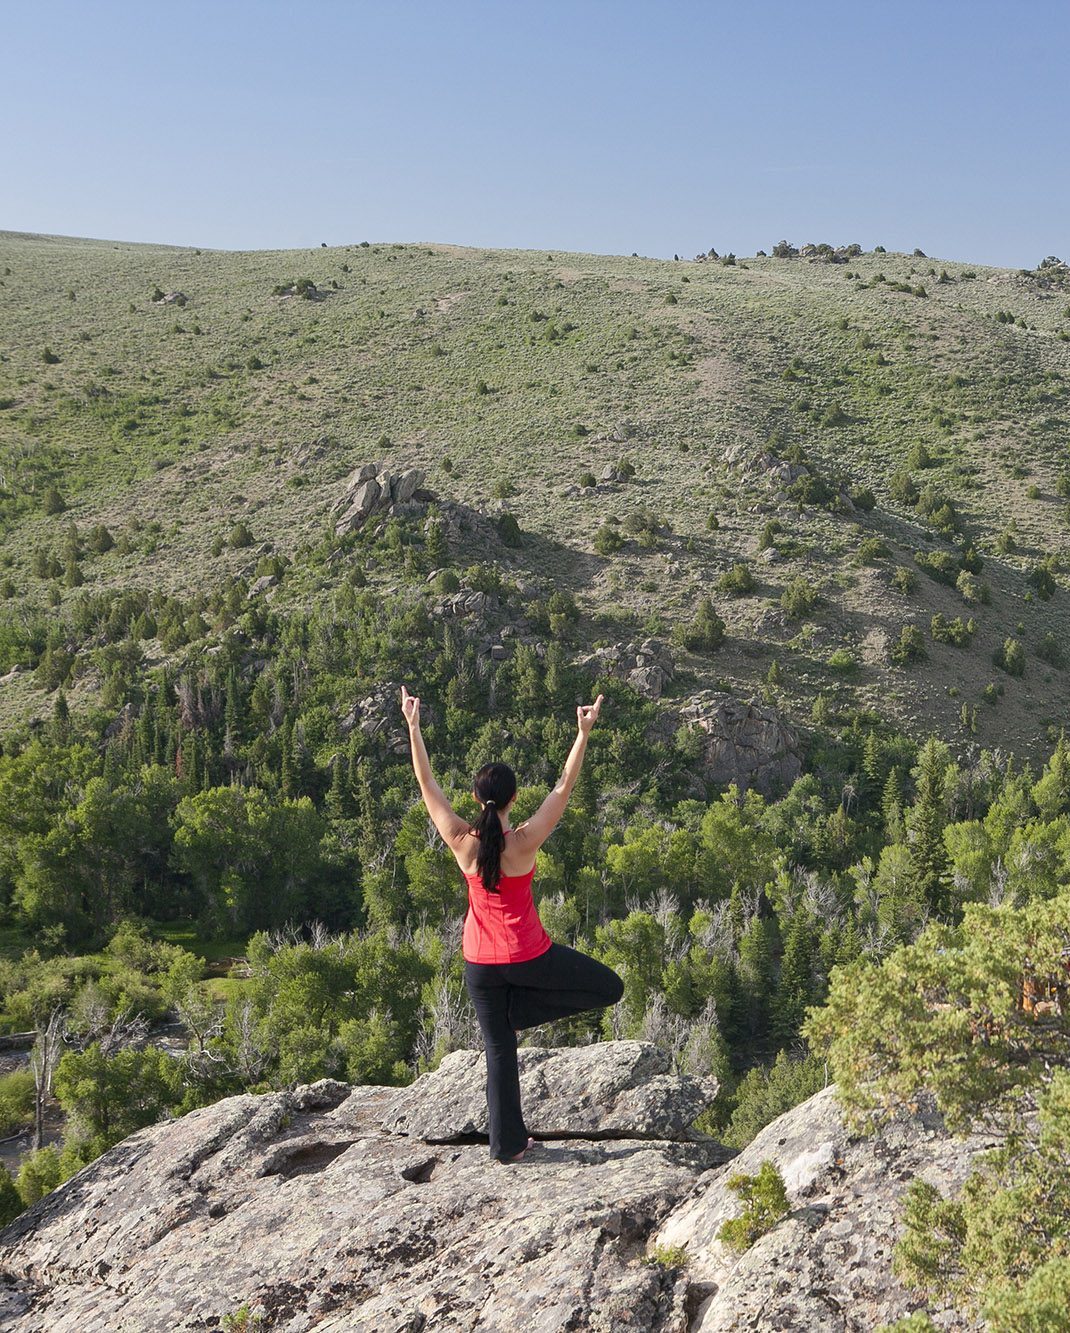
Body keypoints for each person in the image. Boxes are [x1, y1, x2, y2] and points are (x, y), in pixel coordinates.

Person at [400, 684, 624, 1163]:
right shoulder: (523, 842)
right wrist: (583, 734)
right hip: (528, 957)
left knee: (499, 1052)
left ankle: (506, 1147)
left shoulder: (462, 841)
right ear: (513, 798)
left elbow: (427, 786)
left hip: (479, 964)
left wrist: (414, 728)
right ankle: (518, 1015)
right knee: (609, 988)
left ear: (477, 797)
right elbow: (563, 788)